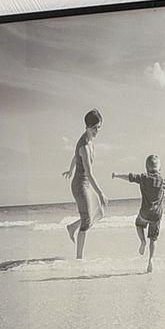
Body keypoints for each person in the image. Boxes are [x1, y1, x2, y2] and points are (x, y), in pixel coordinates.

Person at [63, 109, 109, 262]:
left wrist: (71, 169)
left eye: (99, 127)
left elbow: (75, 156)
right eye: (94, 128)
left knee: (99, 212)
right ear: (87, 127)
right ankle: (79, 259)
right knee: (87, 222)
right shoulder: (84, 145)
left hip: (86, 184)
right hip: (80, 186)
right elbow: (89, 173)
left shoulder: (89, 141)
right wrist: (101, 193)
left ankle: (72, 227)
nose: (97, 131)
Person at [119, 154, 165, 272]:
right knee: (153, 238)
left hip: (144, 212)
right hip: (156, 215)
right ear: (160, 168)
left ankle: (142, 241)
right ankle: (151, 260)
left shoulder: (143, 178)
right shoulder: (163, 181)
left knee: (138, 224)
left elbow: (130, 177)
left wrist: (117, 175)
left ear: (146, 168)